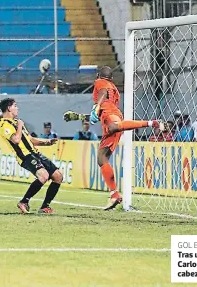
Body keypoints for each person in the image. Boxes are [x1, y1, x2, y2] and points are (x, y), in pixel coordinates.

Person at [64, 66, 163, 210]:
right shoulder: (113, 87)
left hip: (111, 115)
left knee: (114, 127)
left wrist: (96, 107)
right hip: (110, 115)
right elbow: (101, 109)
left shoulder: (100, 83)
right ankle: (114, 194)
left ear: (99, 75)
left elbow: (103, 96)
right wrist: (79, 116)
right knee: (101, 158)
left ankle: (150, 122)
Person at [0, 98, 63, 214]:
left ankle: (45, 206)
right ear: (9, 108)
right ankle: (24, 202)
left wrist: (46, 143)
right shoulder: (4, 125)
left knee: (58, 176)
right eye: (15, 106)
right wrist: (19, 126)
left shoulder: (17, 122)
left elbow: (30, 139)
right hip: (25, 156)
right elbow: (16, 140)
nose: (17, 108)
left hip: (35, 153)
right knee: (43, 176)